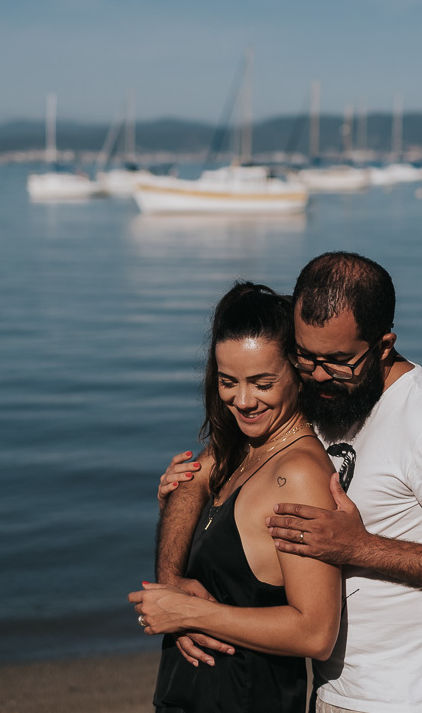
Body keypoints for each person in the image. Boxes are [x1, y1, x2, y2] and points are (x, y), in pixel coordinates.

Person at [157, 252, 422, 713]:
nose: (317, 374)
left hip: (417, 696)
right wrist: (173, 579)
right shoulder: (320, 389)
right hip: (332, 691)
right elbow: (208, 469)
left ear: (384, 345)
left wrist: (360, 548)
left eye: (337, 360)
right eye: (304, 356)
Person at [129, 281, 341, 713]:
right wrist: (171, 579)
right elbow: (187, 486)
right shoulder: (242, 448)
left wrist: (187, 614)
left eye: (262, 383)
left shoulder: (296, 474)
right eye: (229, 382)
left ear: (297, 374)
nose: (242, 401)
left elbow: (315, 633)